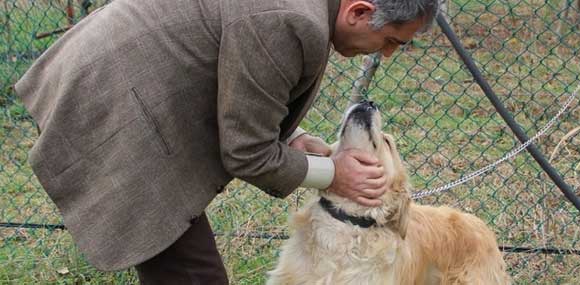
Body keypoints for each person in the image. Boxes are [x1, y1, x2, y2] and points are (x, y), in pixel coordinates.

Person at [14, 0, 439, 283]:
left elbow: (239, 83)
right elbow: (246, 153)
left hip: (126, 82)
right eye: (389, 42)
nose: (384, 55)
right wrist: (334, 175)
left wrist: (294, 135)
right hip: (117, 96)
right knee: (195, 274)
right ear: (360, 12)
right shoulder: (292, 21)